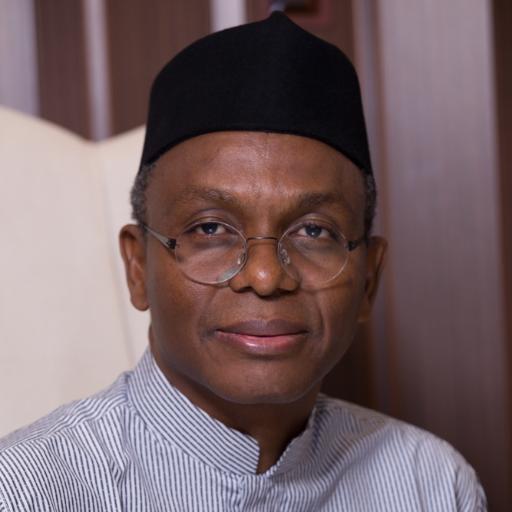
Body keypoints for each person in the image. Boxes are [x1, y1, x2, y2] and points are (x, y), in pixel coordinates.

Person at [0, 12, 486, 511]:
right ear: (138, 267)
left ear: (369, 280)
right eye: (211, 229)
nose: (266, 276)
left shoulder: (430, 484)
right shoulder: (28, 491)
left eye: (314, 231)